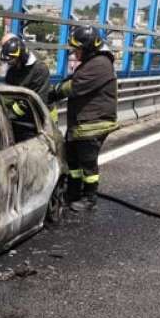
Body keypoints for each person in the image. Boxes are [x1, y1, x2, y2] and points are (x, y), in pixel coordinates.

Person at [50, 26, 119, 212]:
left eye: (77, 49)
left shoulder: (100, 64)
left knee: (87, 162)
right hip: (82, 122)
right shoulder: (92, 62)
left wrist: (53, 93)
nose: (74, 52)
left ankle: (90, 197)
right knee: (73, 159)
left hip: (93, 123)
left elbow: (75, 86)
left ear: (88, 48)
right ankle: (74, 192)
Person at [0, 36, 51, 100]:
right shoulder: (12, 70)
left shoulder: (40, 70)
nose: (9, 63)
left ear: (21, 57)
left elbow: (40, 99)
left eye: (12, 60)